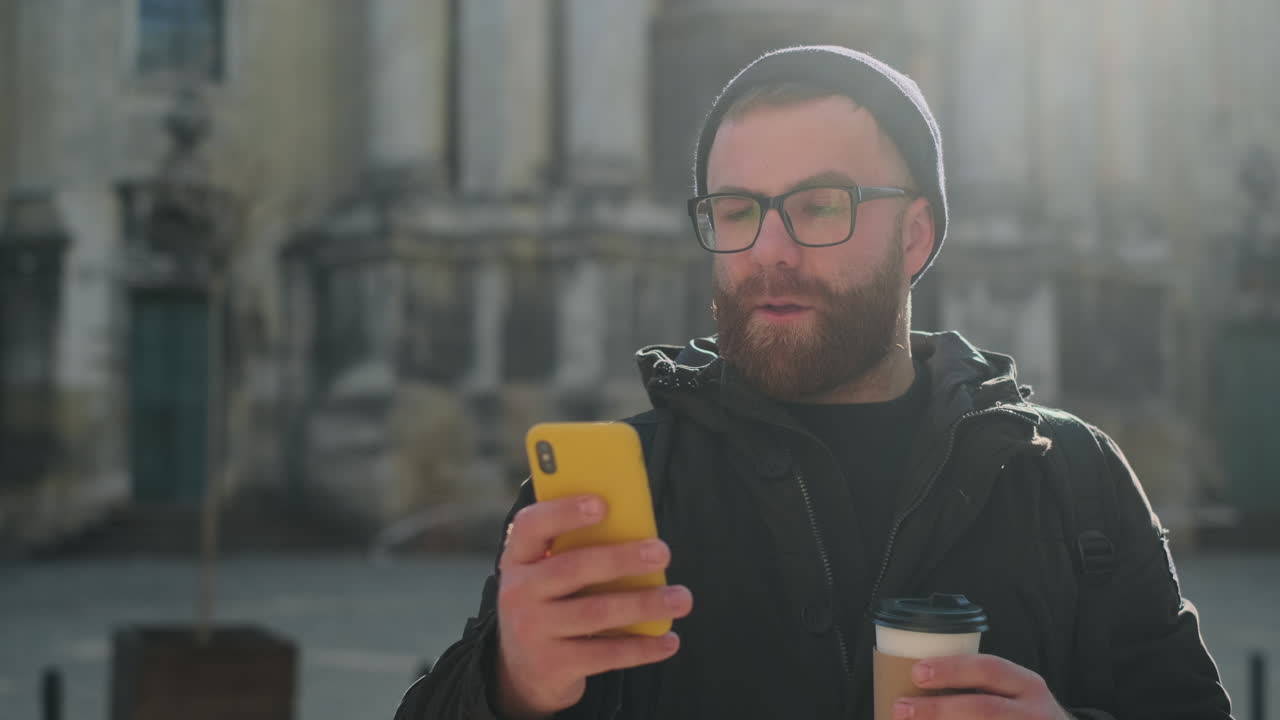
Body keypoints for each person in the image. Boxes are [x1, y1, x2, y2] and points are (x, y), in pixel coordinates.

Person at [395, 46, 1232, 719]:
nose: (769, 250)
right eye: (735, 210)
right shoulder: (611, 497)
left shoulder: (1072, 478)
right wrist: (510, 688)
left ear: (914, 235)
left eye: (821, 205)